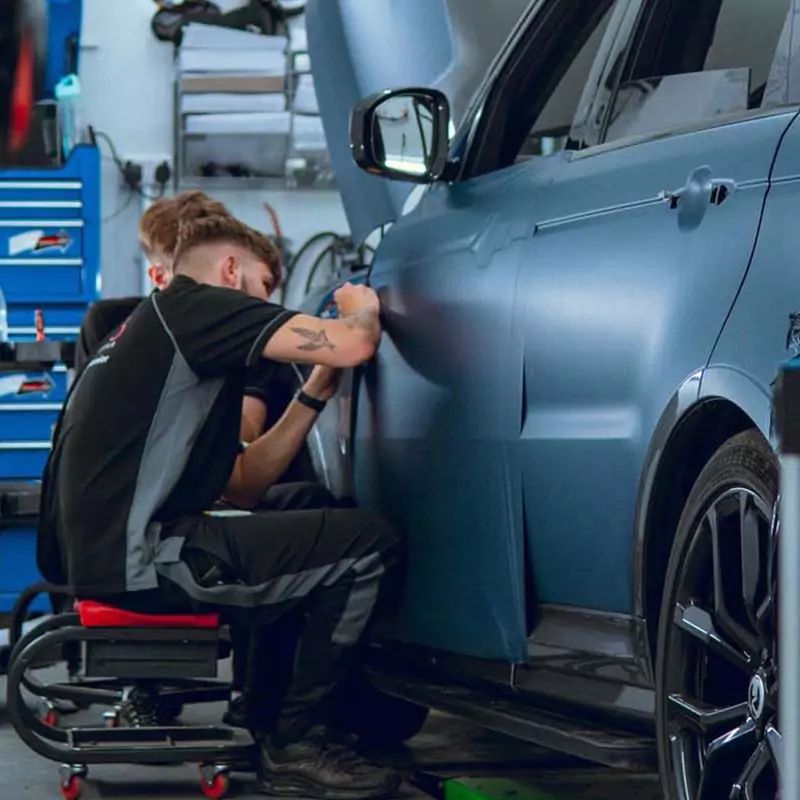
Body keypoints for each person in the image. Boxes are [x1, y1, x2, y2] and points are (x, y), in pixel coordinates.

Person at [38, 212, 403, 798]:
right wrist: (359, 299)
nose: (267, 303)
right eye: (264, 287)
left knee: (302, 504)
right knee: (369, 545)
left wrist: (310, 394)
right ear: (231, 270)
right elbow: (355, 342)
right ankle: (297, 743)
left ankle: (259, 715)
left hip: (115, 555)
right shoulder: (200, 307)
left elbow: (242, 486)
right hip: (147, 560)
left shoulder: (151, 329)